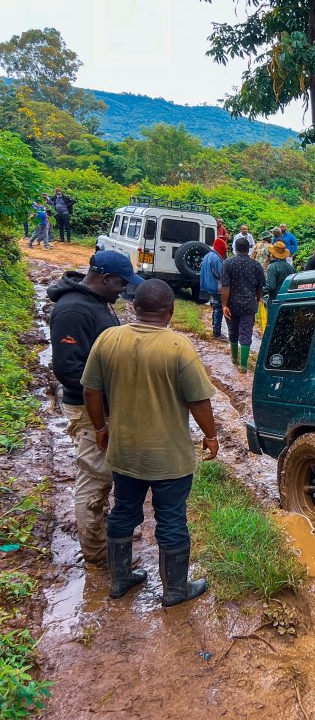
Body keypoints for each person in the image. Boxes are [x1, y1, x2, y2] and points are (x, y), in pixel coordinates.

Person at [81, 279, 217, 605]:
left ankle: (121, 580)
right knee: (170, 518)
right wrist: (210, 436)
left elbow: (90, 391)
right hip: (169, 458)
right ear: (170, 311)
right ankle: (175, 590)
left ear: (133, 307)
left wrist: (101, 427)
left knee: (123, 512)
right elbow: (199, 400)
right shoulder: (178, 347)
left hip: (125, 452)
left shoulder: (109, 340)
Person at [48, 251, 144, 566]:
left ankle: (106, 532)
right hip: (89, 411)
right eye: (120, 284)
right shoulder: (73, 310)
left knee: (109, 471)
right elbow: (68, 368)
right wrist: (104, 402)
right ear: (104, 278)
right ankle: (97, 552)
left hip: (104, 407)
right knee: (95, 477)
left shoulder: (96, 302)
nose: (122, 290)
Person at [220, 237, 265, 374]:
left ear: (235, 248)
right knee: (246, 333)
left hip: (232, 304)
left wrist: (224, 305)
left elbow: (225, 286)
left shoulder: (228, 263)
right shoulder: (256, 265)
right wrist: (256, 300)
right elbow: (260, 287)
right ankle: (243, 366)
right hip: (249, 305)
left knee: (233, 331)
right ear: (248, 249)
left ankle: (234, 358)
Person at [199, 244, 225, 338]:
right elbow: (221, 274)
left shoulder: (208, 255)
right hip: (216, 287)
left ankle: (215, 329)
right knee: (218, 309)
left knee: (215, 308)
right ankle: (217, 333)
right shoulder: (216, 259)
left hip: (208, 286)